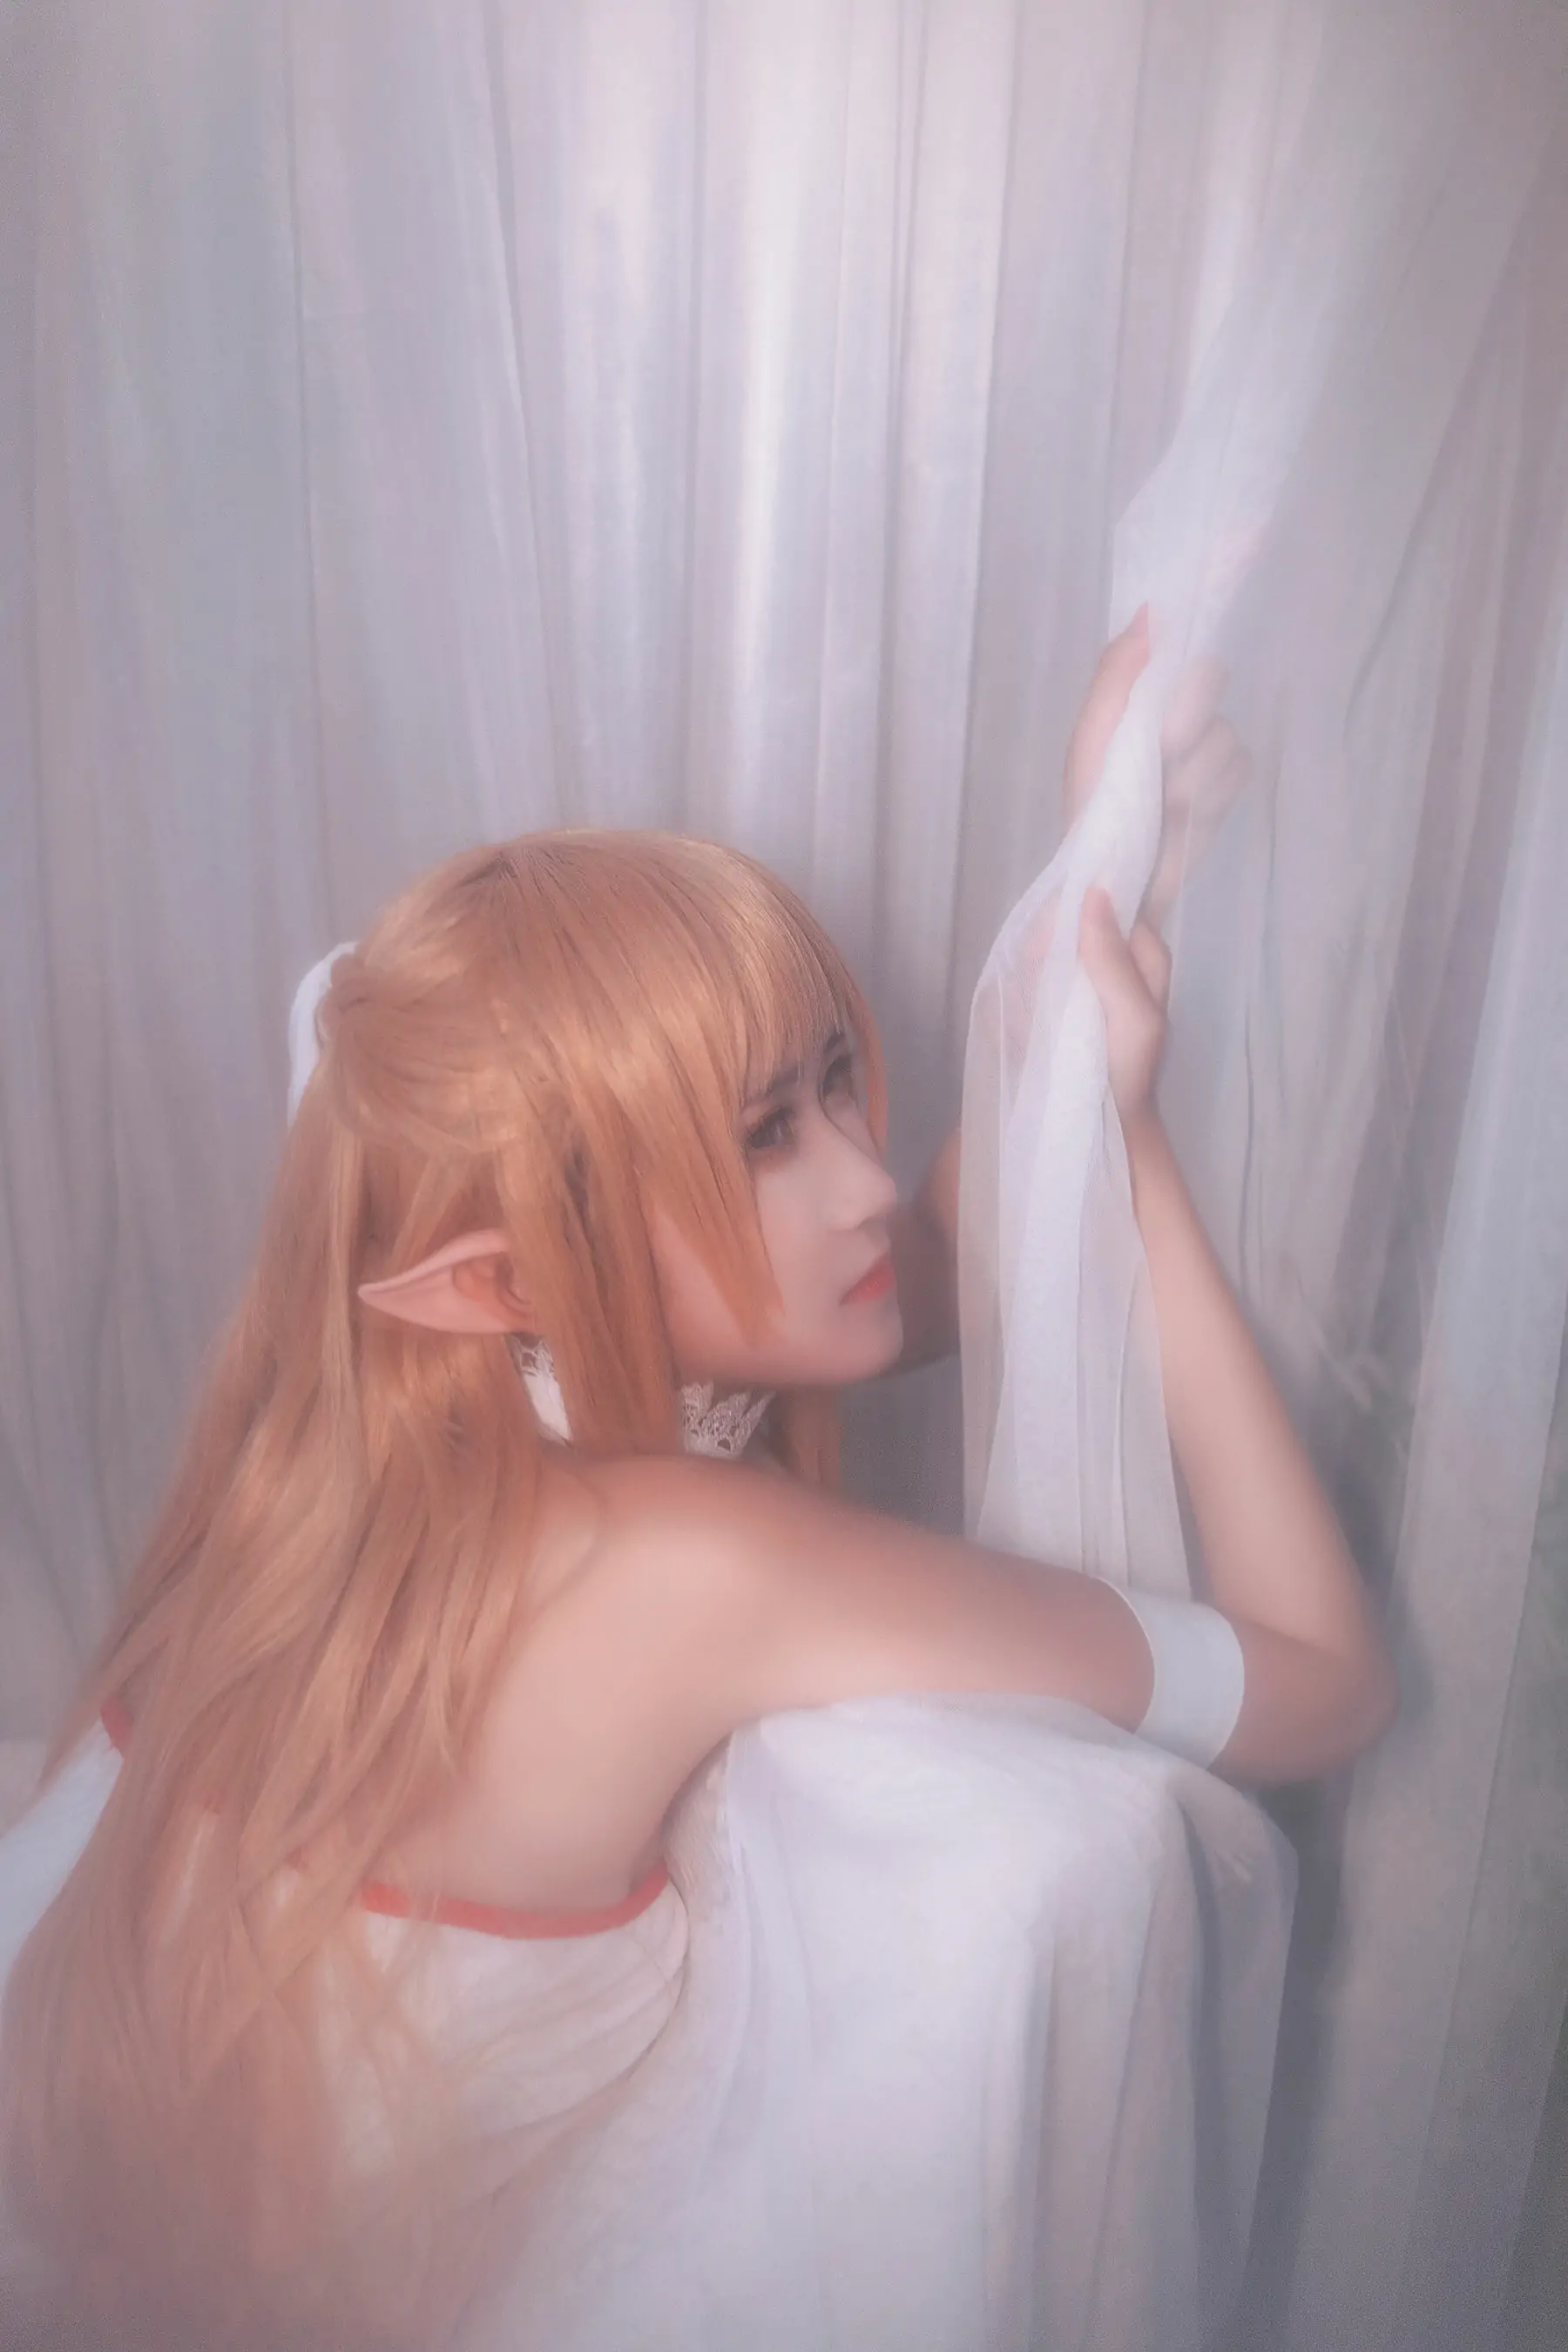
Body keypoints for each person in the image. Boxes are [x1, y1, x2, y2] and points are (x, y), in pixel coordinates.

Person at [0, 629, 1394, 2352]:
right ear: (496, 1281)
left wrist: (1112, 878)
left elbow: (950, 1243)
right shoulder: (682, 1556)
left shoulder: (377, 1412)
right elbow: (1327, 1684)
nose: (862, 1179)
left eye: (832, 1082)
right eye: (760, 1142)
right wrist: (1140, 1151)